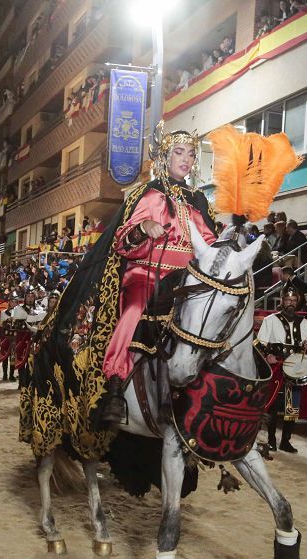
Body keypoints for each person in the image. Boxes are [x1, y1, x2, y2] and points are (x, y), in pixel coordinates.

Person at [96, 128, 220, 424]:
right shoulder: (150, 195)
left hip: (183, 282)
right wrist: (143, 227)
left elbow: (208, 242)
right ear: (164, 157)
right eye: (179, 152)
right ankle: (115, 386)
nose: (187, 159)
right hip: (147, 275)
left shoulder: (198, 201)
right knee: (135, 310)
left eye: (191, 154)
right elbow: (122, 241)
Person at [255, 288, 307, 455]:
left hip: (295, 367)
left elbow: (306, 344)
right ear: (282, 301)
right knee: (272, 404)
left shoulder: (304, 322)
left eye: (294, 301)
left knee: (292, 405)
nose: (291, 303)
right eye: (288, 300)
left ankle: (286, 441)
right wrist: (268, 355)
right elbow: (259, 344)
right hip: (276, 365)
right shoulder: (270, 320)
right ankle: (271, 440)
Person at [0, 292, 21, 381]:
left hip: (15, 338)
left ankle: (11, 375)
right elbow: (0, 324)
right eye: (12, 301)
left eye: (15, 302)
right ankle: (4, 375)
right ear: (9, 302)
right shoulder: (4, 312)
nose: (13, 303)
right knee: (5, 356)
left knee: (13, 357)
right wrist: (7, 320)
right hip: (6, 337)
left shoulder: (19, 313)